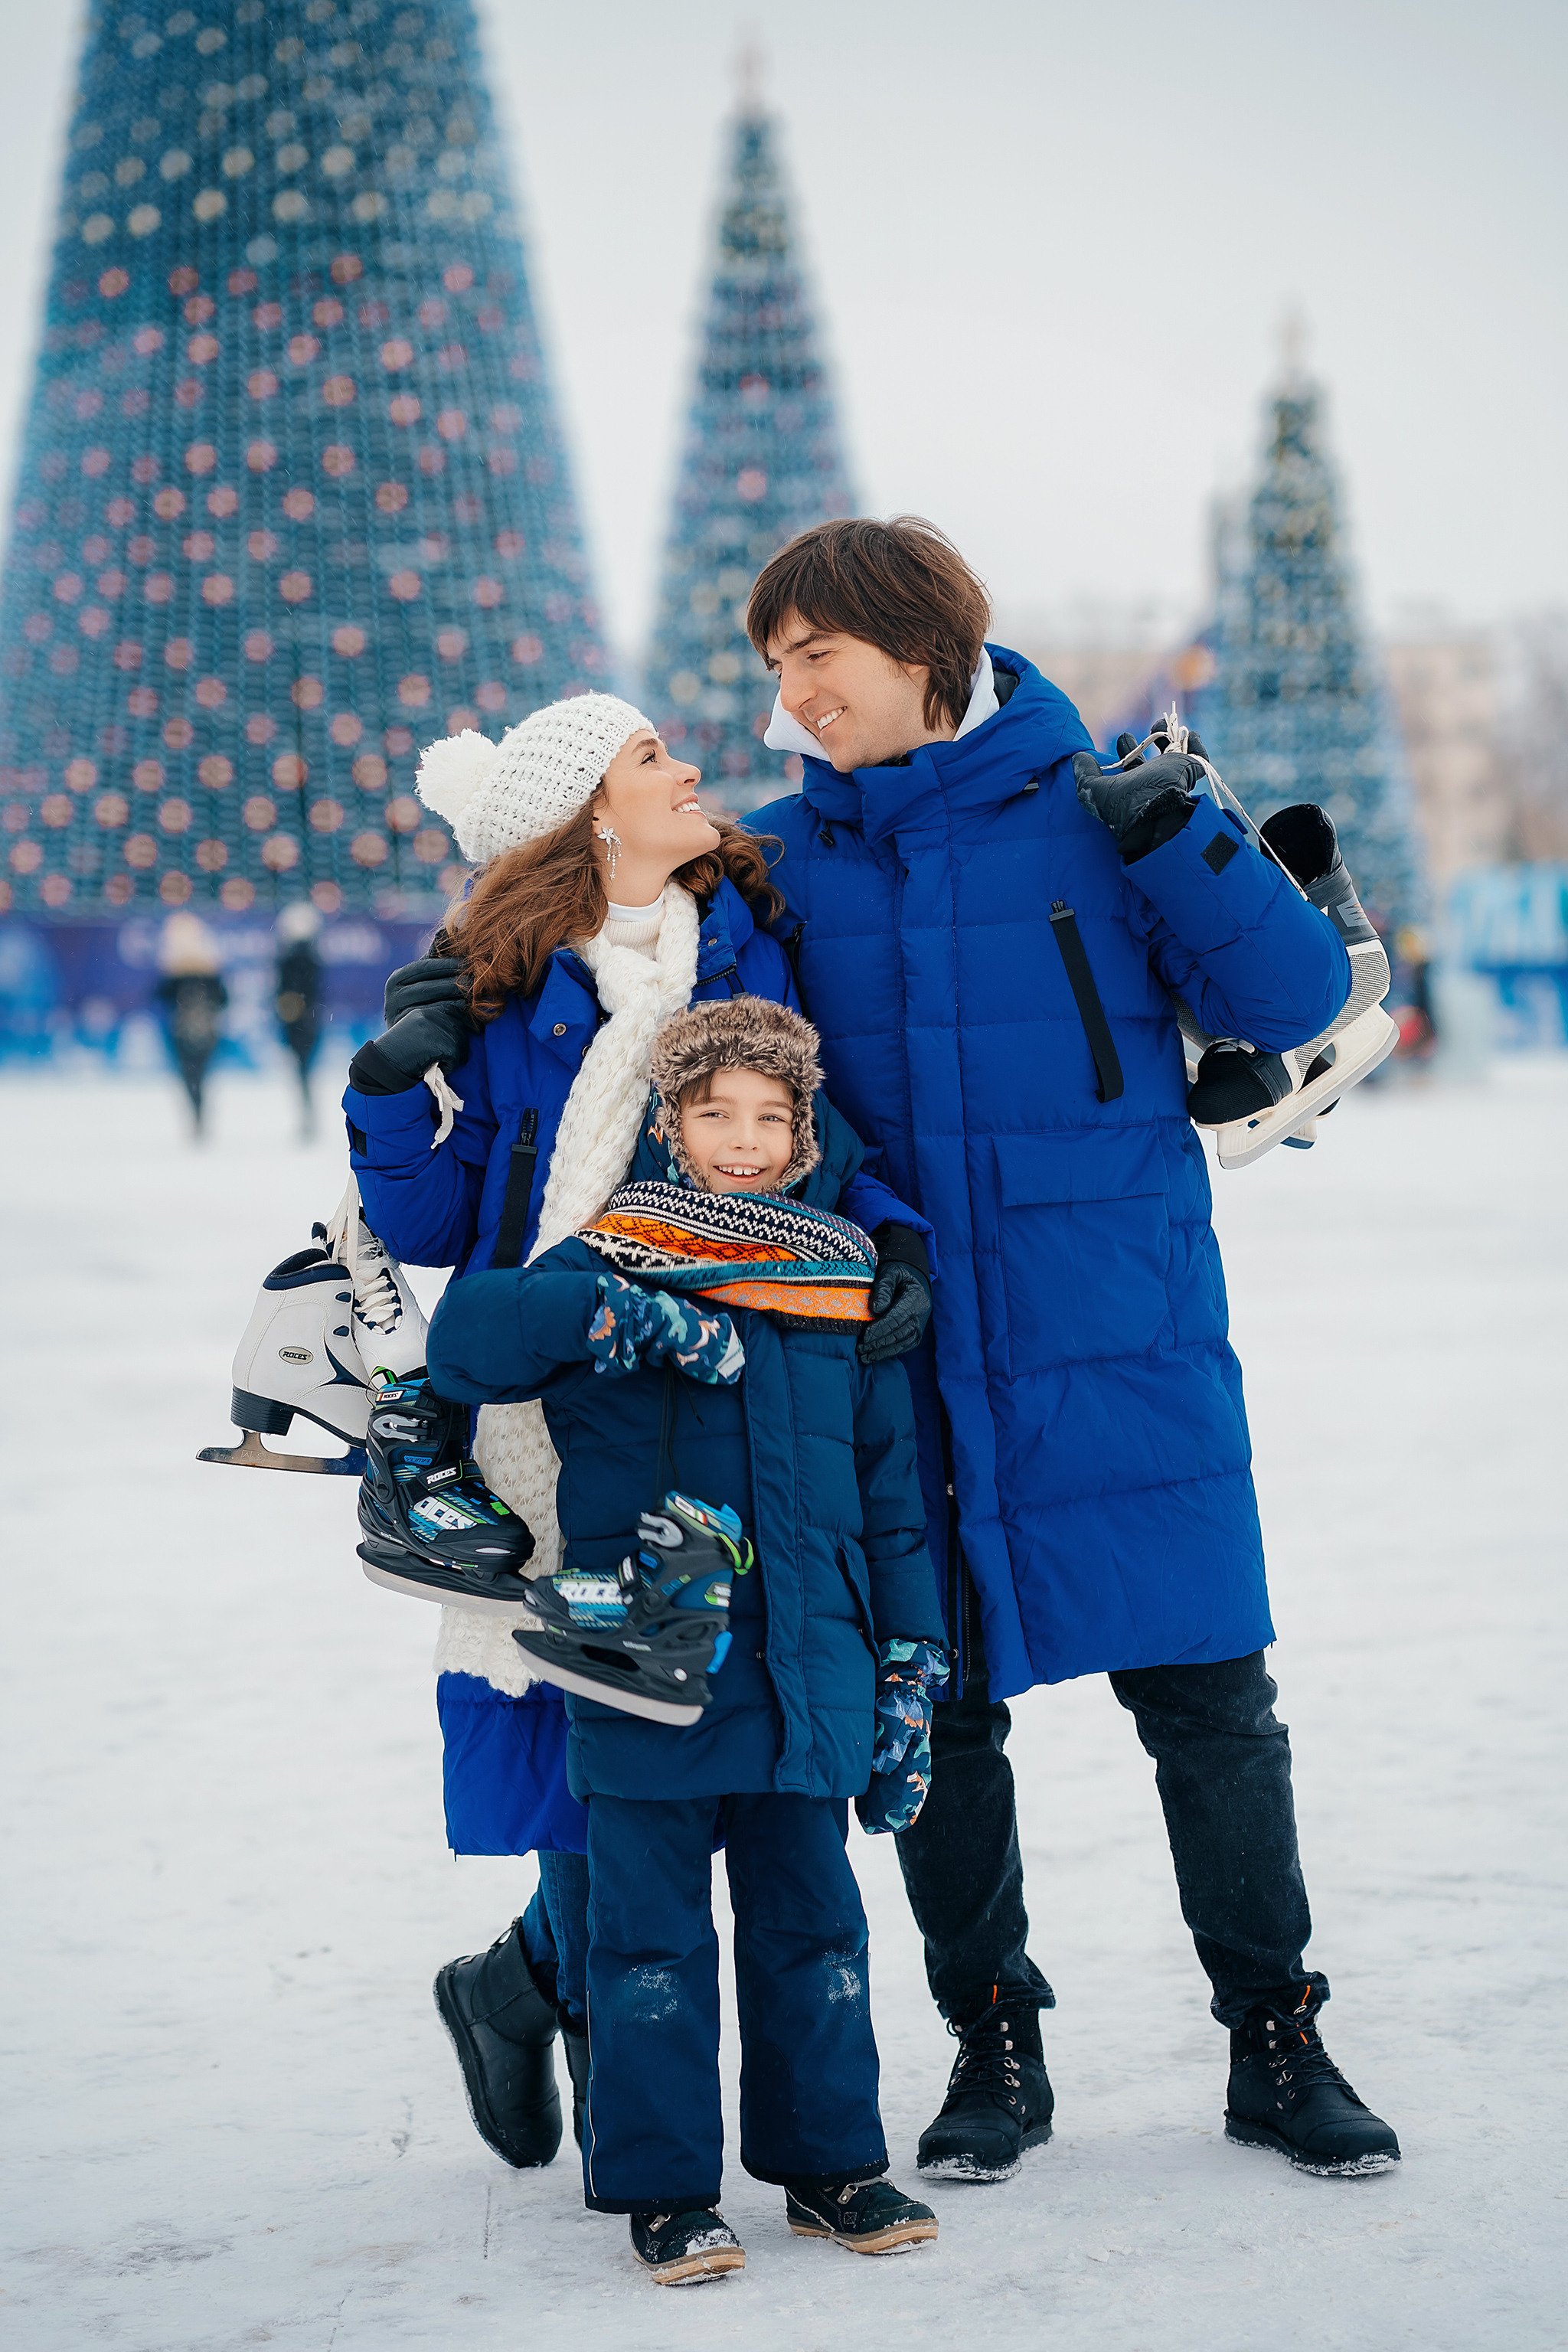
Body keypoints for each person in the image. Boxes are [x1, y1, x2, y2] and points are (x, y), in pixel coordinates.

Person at [740, 515, 1401, 2181]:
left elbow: (1292, 993)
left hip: (1116, 1327)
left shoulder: (1108, 806)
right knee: (940, 1711)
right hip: (901, 1347)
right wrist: (861, 1224)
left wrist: (1186, 832)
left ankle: (1276, 2034)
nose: (794, 694)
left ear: (920, 644)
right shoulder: (778, 863)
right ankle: (994, 2044)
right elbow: (743, 1094)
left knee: (1209, 1696)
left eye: (817, 654)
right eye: (774, 667)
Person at [341, 694, 935, 2174]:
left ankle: (534, 1984)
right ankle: (587, 2027)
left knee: (702, 1711)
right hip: (550, 1388)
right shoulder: (502, 986)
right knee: (588, 1714)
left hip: (732, 1363)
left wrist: (886, 1237)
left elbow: (809, 1123)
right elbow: (427, 1224)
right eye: (649, 756)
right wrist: (384, 1091)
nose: (686, 769)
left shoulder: (741, 940)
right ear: (591, 814)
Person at [424, 996, 945, 2283]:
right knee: (645, 1943)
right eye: (717, 1112)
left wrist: (908, 1663)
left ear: (803, 1131)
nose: (746, 1139)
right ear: (670, 1125)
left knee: (813, 1932)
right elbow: (464, 1343)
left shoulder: (834, 1276)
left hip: (805, 1667)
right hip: (650, 1665)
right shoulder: (612, 1254)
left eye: (772, 1116)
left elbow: (887, 1495)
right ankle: (664, 2190)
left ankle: (829, 2166)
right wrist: (605, 1317)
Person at [153, 912, 227, 1137]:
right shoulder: (209, 970)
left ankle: (197, 1114)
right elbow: (224, 999)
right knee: (199, 1076)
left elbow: (160, 997)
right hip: (204, 1031)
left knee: (190, 1076)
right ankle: (199, 1114)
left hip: (183, 1032)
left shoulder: (176, 972)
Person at [273, 903, 324, 1138]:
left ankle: (308, 1116)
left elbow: (285, 993)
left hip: (297, 1021)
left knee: (302, 1070)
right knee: (304, 1070)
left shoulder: (290, 958)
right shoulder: (311, 956)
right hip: (309, 1019)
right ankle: (308, 1115)